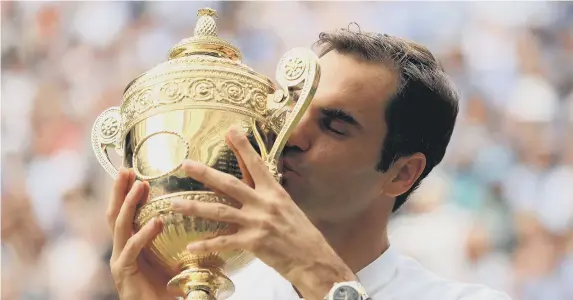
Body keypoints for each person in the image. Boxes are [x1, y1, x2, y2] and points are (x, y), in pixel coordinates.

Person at [106, 28, 512, 300]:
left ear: (401, 173)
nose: (291, 138)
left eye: (335, 125)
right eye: (289, 112)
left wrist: (326, 284)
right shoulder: (226, 288)